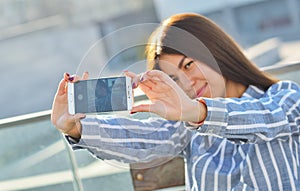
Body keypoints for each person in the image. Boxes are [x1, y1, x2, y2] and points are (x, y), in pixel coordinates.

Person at [51, 13, 300, 190]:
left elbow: (269, 118)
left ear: (215, 51)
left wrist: (197, 112)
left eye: (188, 65)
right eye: (174, 78)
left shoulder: (284, 97)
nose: (187, 83)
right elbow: (142, 137)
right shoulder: (188, 127)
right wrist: (75, 128)